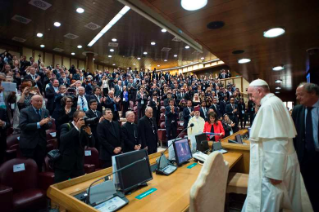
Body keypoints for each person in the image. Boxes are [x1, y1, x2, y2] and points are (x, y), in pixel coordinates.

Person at [243, 79, 302, 212]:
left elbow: (275, 141)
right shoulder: (275, 102)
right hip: (279, 163)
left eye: (251, 95)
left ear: (259, 91)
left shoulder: (269, 105)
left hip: (273, 169)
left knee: (268, 204)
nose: (251, 98)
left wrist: (274, 173)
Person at [292, 82, 319, 211]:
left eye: (301, 95)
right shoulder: (297, 110)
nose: (298, 98)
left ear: (312, 93)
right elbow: (294, 135)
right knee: (311, 188)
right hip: (305, 156)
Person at [54, 110, 95, 183]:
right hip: (65, 164)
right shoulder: (66, 126)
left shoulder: (83, 128)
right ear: (75, 119)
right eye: (82, 118)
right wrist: (76, 128)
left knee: (79, 185)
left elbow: (91, 145)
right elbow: (63, 139)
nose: (84, 119)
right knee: (60, 187)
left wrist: (89, 134)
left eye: (85, 117)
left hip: (78, 163)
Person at [19, 95, 52, 171]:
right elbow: (23, 126)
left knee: (39, 165)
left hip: (41, 143)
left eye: (41, 101)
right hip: (29, 143)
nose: (39, 103)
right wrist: (39, 124)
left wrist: (46, 124)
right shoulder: (24, 111)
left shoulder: (45, 111)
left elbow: (49, 124)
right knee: (29, 167)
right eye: (37, 101)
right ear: (31, 102)